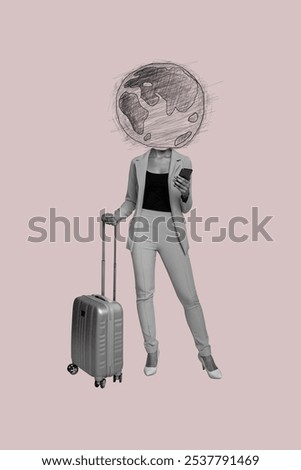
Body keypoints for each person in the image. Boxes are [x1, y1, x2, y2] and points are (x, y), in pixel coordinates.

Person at [102, 147, 222, 379]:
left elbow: (185, 208)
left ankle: (205, 353)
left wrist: (186, 193)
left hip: (171, 229)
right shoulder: (137, 161)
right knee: (144, 293)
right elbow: (131, 200)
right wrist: (116, 215)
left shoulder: (182, 160)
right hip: (142, 228)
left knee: (189, 297)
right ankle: (152, 351)